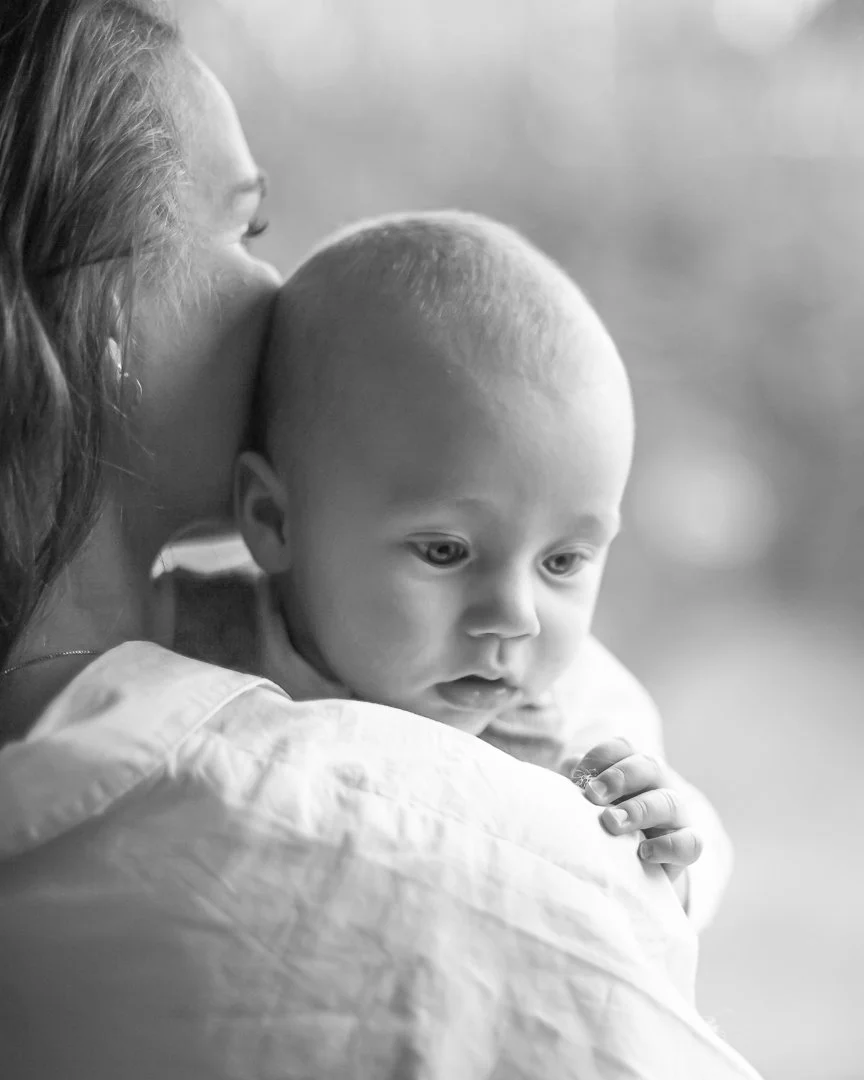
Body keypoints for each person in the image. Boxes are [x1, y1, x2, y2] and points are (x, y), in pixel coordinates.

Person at [0, 2, 761, 1077]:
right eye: (244, 229)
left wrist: (674, 845)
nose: (276, 291)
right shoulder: (440, 871)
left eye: (564, 560)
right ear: (87, 305)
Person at [162, 212, 732, 929]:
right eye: (445, 552)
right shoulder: (185, 639)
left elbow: (675, 879)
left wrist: (665, 853)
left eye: (562, 561)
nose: (515, 616)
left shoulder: (572, 734)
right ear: (276, 521)